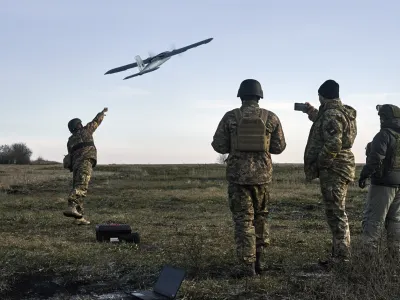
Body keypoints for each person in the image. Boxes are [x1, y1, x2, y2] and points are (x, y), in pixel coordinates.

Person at [211, 79, 286, 276]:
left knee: (244, 221)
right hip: (262, 177)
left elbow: (218, 145)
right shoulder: (271, 117)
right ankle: (260, 261)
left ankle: (247, 266)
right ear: (259, 96)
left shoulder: (230, 117)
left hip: (238, 177)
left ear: (241, 96)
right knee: (261, 218)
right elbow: (279, 148)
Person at [302, 79, 357, 263]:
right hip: (341, 166)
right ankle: (339, 254)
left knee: (336, 212)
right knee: (336, 210)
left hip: (335, 169)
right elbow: (326, 124)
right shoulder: (340, 112)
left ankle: (342, 258)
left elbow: (334, 142)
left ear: (322, 96)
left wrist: (321, 163)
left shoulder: (332, 114)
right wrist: (311, 112)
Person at [358, 104, 400, 258]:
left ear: (384, 118)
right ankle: (396, 255)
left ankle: (368, 259)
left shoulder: (384, 135)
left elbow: (375, 159)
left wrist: (364, 175)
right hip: (398, 185)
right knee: (395, 220)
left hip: (383, 184)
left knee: (373, 220)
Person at [63, 107, 108, 225]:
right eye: (80, 123)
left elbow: (70, 155)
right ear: (78, 125)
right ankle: (72, 205)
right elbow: (96, 121)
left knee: (79, 186)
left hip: (76, 165)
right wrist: (102, 113)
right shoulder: (86, 131)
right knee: (82, 186)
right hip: (85, 161)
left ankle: (79, 218)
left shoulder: (70, 140)